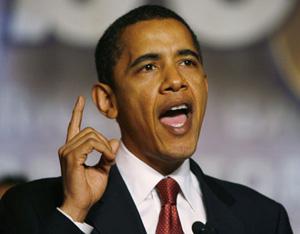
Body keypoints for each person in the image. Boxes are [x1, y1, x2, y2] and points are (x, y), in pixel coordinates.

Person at [0, 5, 293, 234]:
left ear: (204, 85)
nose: (175, 80)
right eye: (149, 66)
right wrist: (75, 213)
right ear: (108, 101)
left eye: (187, 62)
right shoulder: (31, 208)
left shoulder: (262, 218)